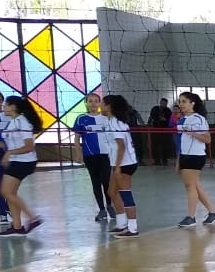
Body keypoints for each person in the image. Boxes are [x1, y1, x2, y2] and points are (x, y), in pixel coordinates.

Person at [0, 96, 44, 237]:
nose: (3, 107)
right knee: (11, 194)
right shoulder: (14, 121)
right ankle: (17, 227)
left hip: (23, 161)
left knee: (5, 192)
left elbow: (29, 146)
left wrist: (9, 153)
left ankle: (32, 218)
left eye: (6, 104)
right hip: (17, 160)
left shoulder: (22, 122)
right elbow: (9, 144)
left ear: (14, 107)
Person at [175, 91, 215, 227]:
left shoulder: (199, 119)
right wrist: (178, 161)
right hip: (184, 156)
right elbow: (180, 142)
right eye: (180, 101)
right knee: (195, 186)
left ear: (192, 103)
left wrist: (192, 133)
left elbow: (208, 139)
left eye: (184, 101)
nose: (180, 104)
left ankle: (191, 217)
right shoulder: (182, 120)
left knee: (190, 186)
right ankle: (213, 212)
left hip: (195, 156)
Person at [72, 92, 115, 222]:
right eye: (90, 101)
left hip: (105, 155)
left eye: (96, 101)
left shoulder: (106, 118)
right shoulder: (81, 118)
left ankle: (109, 206)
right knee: (95, 182)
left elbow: (113, 136)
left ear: (100, 103)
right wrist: (78, 153)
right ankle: (101, 209)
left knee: (106, 181)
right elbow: (77, 137)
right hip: (90, 155)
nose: (93, 104)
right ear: (86, 103)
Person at [102, 94, 140, 237]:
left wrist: (117, 167)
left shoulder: (116, 123)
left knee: (125, 194)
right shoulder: (112, 121)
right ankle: (121, 224)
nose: (101, 106)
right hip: (119, 163)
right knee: (112, 192)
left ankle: (132, 228)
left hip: (125, 163)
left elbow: (121, 146)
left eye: (103, 103)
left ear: (109, 107)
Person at [0, 90, 9, 225]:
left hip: (10, 154)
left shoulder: (9, 116)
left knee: (10, 184)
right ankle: (2, 213)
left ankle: (7, 206)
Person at [149, 98, 174, 166]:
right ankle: (157, 161)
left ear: (166, 104)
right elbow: (152, 116)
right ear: (160, 102)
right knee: (155, 146)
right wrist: (158, 118)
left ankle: (165, 161)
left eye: (165, 103)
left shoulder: (168, 110)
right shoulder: (155, 108)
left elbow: (170, 119)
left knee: (165, 146)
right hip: (155, 130)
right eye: (162, 102)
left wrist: (165, 119)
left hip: (165, 130)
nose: (163, 104)